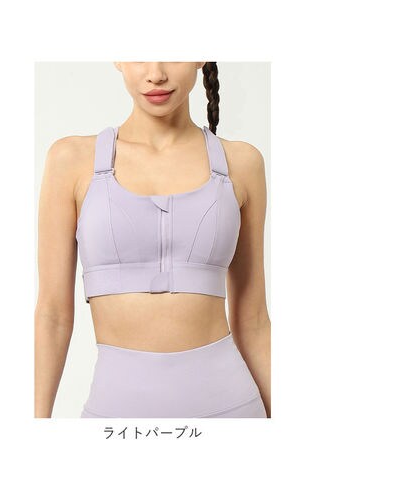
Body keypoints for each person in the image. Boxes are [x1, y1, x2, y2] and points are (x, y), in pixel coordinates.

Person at [35, 62, 271, 418]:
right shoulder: (71, 161)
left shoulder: (242, 163)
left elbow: (253, 321)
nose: (156, 73)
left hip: (232, 411)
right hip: (115, 419)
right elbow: (52, 315)